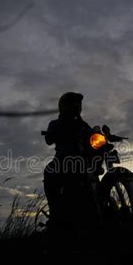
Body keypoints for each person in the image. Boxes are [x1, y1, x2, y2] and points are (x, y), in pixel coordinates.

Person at [43, 92, 95, 232]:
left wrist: (99, 136)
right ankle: (55, 214)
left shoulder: (83, 125)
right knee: (49, 171)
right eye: (72, 103)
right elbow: (48, 139)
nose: (76, 106)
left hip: (83, 162)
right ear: (64, 106)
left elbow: (92, 135)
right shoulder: (56, 123)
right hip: (63, 161)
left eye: (78, 103)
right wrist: (57, 131)